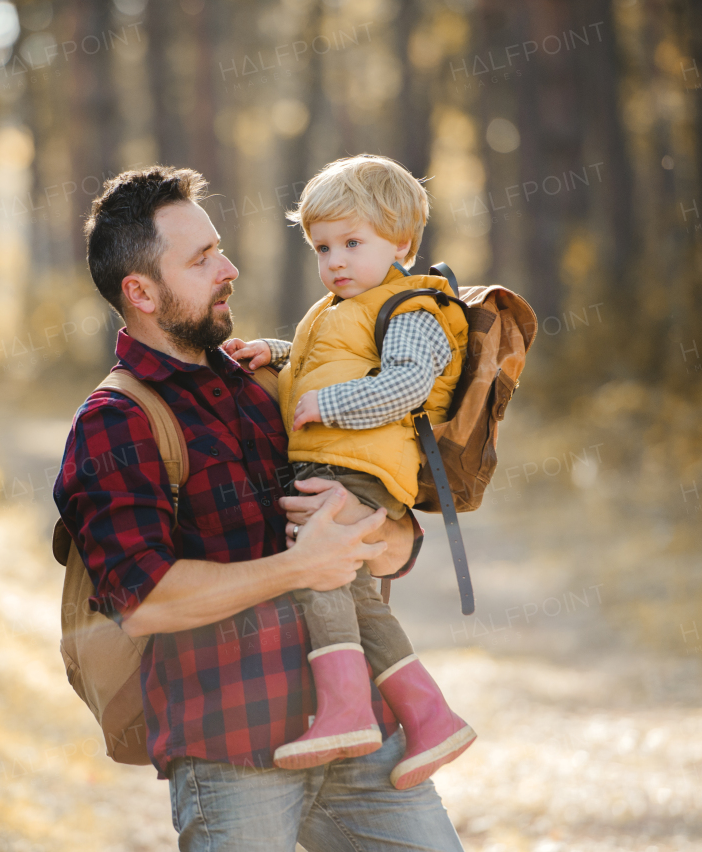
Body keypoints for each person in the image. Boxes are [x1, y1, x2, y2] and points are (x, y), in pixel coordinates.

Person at [53, 165, 466, 851]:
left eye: (219, 247)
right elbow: (146, 601)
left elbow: (398, 547)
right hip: (233, 758)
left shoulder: (266, 382)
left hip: (365, 735)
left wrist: (372, 527)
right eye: (203, 259)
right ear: (142, 292)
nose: (230, 268)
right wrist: (300, 565)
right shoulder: (117, 421)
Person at [222, 154, 475, 788]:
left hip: (361, 468)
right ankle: (430, 716)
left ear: (403, 243)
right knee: (356, 597)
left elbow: (408, 382)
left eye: (353, 243)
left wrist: (329, 405)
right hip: (337, 462)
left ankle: (344, 709)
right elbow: (325, 358)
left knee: (318, 571)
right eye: (323, 246)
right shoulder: (341, 306)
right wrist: (273, 352)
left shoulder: (414, 308)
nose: (335, 260)